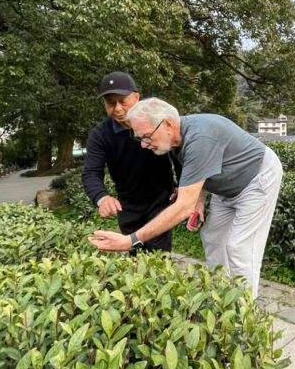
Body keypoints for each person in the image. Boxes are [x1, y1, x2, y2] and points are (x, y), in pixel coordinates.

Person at [88, 98, 283, 298]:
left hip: (257, 178)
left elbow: (182, 207)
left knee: (240, 247)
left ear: (168, 124)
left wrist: (131, 240)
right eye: (140, 139)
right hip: (226, 186)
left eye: (146, 137)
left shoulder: (199, 138)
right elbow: (202, 170)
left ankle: (244, 313)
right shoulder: (173, 140)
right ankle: (223, 297)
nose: (144, 145)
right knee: (212, 236)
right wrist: (198, 202)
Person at [81, 73, 179, 252]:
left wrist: (182, 183)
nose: (118, 109)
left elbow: (178, 151)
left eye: (123, 101)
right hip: (128, 205)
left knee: (158, 257)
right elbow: (91, 173)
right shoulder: (100, 135)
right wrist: (101, 198)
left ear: (137, 97)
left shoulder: (157, 122)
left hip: (159, 200)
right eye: (111, 103)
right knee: (134, 254)